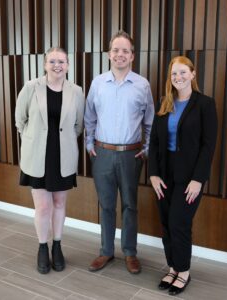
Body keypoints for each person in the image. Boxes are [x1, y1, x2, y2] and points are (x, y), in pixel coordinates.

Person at [84, 30, 154, 274]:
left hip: (130, 156)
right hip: (102, 154)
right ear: (109, 54)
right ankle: (105, 251)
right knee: (105, 205)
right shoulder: (98, 83)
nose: (120, 54)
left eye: (125, 50)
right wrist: (90, 145)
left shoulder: (142, 85)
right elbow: (89, 116)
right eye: (116, 50)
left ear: (132, 56)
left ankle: (130, 252)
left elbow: (150, 122)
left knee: (129, 205)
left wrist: (145, 150)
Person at [148, 56, 217, 295]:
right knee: (167, 223)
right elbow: (154, 142)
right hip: (164, 173)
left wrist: (199, 179)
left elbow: (209, 146)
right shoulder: (164, 103)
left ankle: (184, 271)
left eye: (182, 72)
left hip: (190, 176)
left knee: (179, 222)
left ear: (193, 74)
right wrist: (153, 174)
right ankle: (172, 267)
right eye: (174, 74)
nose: (178, 77)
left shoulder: (205, 104)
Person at [15, 47, 85, 274]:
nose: (57, 65)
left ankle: (57, 245)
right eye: (52, 61)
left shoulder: (76, 91)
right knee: (43, 206)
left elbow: (78, 125)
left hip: (63, 156)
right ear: (45, 64)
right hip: (37, 155)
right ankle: (42, 247)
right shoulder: (31, 87)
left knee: (59, 204)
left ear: (68, 65)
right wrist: (35, 138)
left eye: (62, 61)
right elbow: (20, 120)